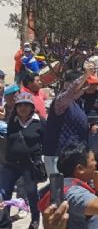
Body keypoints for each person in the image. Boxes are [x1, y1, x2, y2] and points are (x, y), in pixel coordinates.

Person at [0, 92, 45, 228]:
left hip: (30, 165)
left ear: (32, 107)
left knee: (31, 193)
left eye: (26, 105)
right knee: (4, 192)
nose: (23, 108)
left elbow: (47, 141)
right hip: (11, 164)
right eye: (20, 105)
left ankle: (35, 219)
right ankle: (4, 221)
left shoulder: (39, 122)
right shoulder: (12, 121)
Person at [42, 68, 91, 175]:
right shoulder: (60, 101)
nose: (84, 87)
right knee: (59, 189)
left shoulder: (78, 102)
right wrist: (84, 76)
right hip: (57, 155)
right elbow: (70, 92)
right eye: (81, 84)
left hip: (72, 155)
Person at [77, 73, 98, 150]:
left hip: (95, 129)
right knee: (80, 150)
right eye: (91, 84)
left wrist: (97, 124)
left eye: (95, 84)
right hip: (80, 128)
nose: (93, 86)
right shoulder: (79, 96)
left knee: (93, 151)